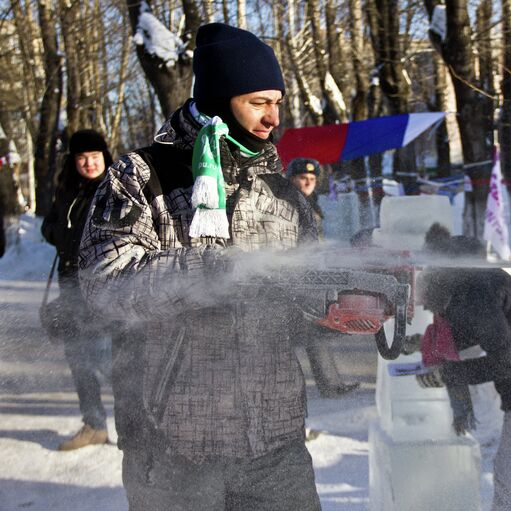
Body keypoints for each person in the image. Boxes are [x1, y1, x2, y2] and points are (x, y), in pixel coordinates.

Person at [78, 23, 321, 510]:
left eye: (277, 101)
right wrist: (208, 269)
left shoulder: (281, 192)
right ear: (217, 97)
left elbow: (304, 292)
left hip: (276, 447)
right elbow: (101, 283)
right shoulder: (142, 176)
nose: (273, 117)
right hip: (172, 447)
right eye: (258, 102)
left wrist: (337, 310)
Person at [417, 224, 511, 511]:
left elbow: (507, 361)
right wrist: (426, 342)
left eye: (433, 310)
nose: (433, 314)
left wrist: (450, 373)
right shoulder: (467, 283)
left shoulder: (474, 296)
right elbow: (479, 329)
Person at [42, 129, 113, 451]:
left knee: (107, 360)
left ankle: (138, 425)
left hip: (101, 289)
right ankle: (94, 424)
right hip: (69, 287)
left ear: (104, 157)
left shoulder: (114, 188)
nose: (88, 163)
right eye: (82, 158)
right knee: (79, 361)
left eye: (94, 157)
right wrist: (55, 229)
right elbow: (52, 227)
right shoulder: (69, 190)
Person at [286, 158, 359, 398]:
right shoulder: (287, 203)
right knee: (302, 331)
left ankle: (329, 385)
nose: (307, 182)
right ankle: (323, 386)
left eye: (312, 179)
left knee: (313, 329)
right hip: (291, 274)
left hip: (309, 273)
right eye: (302, 178)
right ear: (292, 178)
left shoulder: (311, 203)